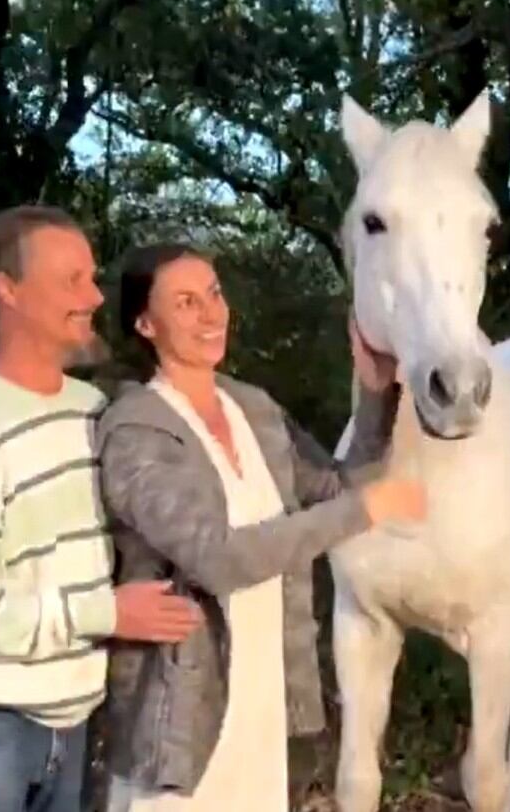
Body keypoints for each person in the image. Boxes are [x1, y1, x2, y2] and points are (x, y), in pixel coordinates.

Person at [94, 243, 427, 811]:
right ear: (146, 324)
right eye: (186, 302)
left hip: (262, 695)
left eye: (215, 293)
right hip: (180, 716)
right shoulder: (135, 431)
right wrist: (366, 512)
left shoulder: (253, 407)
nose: (210, 313)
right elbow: (217, 558)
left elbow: (341, 485)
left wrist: (376, 395)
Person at [0, 206, 204, 812]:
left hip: (74, 719)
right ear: (6, 289)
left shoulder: (94, 411)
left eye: (93, 277)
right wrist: (105, 613)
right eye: (72, 280)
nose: (94, 295)